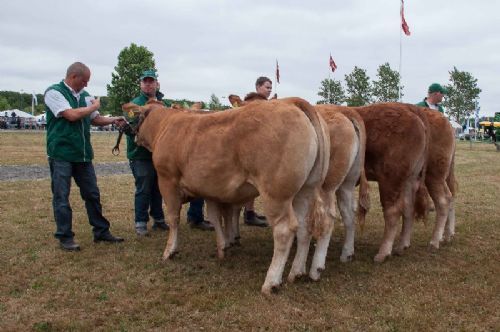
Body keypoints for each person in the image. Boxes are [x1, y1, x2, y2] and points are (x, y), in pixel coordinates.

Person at [44, 62, 126, 251]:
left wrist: (115, 119)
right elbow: (71, 115)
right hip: (61, 154)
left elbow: (95, 119)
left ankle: (101, 231)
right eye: (84, 80)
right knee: (61, 197)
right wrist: (93, 106)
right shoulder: (54, 92)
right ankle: (65, 236)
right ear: (73, 77)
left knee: (92, 194)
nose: (87, 85)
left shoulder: (85, 97)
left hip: (83, 155)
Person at [126, 69, 213, 232]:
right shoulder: (136, 103)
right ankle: (141, 222)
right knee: (144, 187)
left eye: (151, 81)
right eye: (145, 81)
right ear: (141, 84)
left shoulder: (164, 104)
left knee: (160, 187)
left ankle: (158, 219)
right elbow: (131, 125)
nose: (148, 84)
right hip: (141, 154)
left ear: (157, 84)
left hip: (161, 154)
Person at [241, 76, 273, 227]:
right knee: (250, 183)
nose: (269, 90)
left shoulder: (265, 104)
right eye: (267, 87)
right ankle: (248, 214)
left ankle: (250, 212)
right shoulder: (250, 104)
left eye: (270, 88)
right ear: (258, 87)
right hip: (249, 149)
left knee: (254, 185)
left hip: (259, 148)